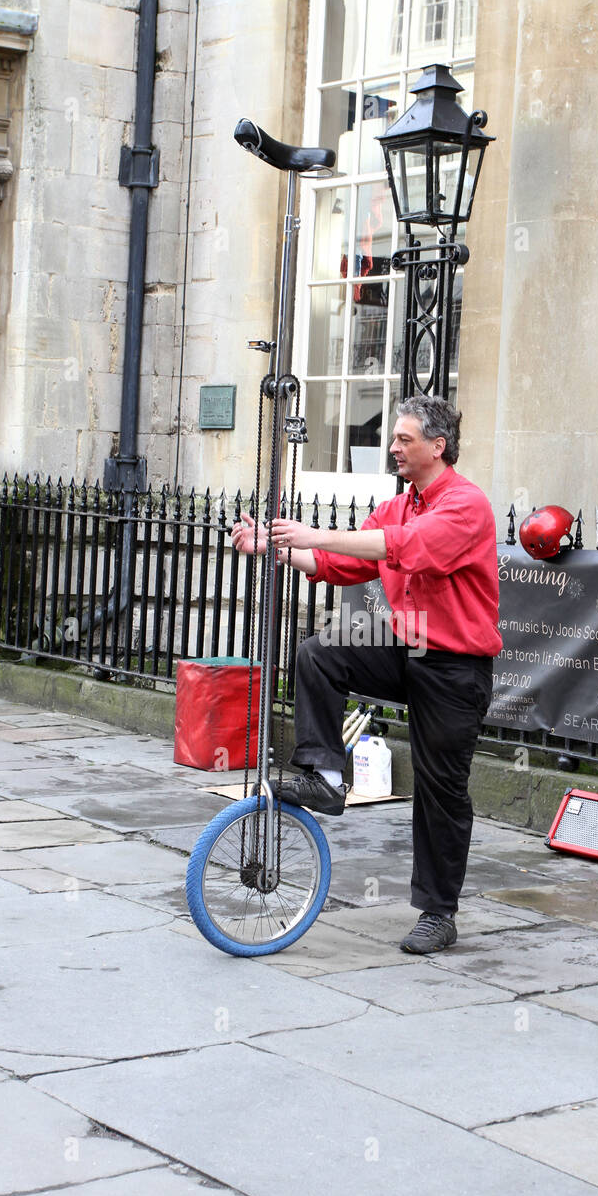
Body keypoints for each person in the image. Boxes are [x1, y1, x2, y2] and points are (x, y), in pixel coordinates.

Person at [231, 395, 501, 954]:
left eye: (404, 439)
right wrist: (276, 550)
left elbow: (407, 549)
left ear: (437, 446)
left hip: (455, 668)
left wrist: (312, 533)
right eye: (395, 439)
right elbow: (342, 565)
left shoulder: (465, 505)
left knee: (440, 789)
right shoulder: (399, 505)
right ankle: (326, 777)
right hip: (408, 648)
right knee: (320, 653)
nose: (394, 447)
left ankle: (437, 913)